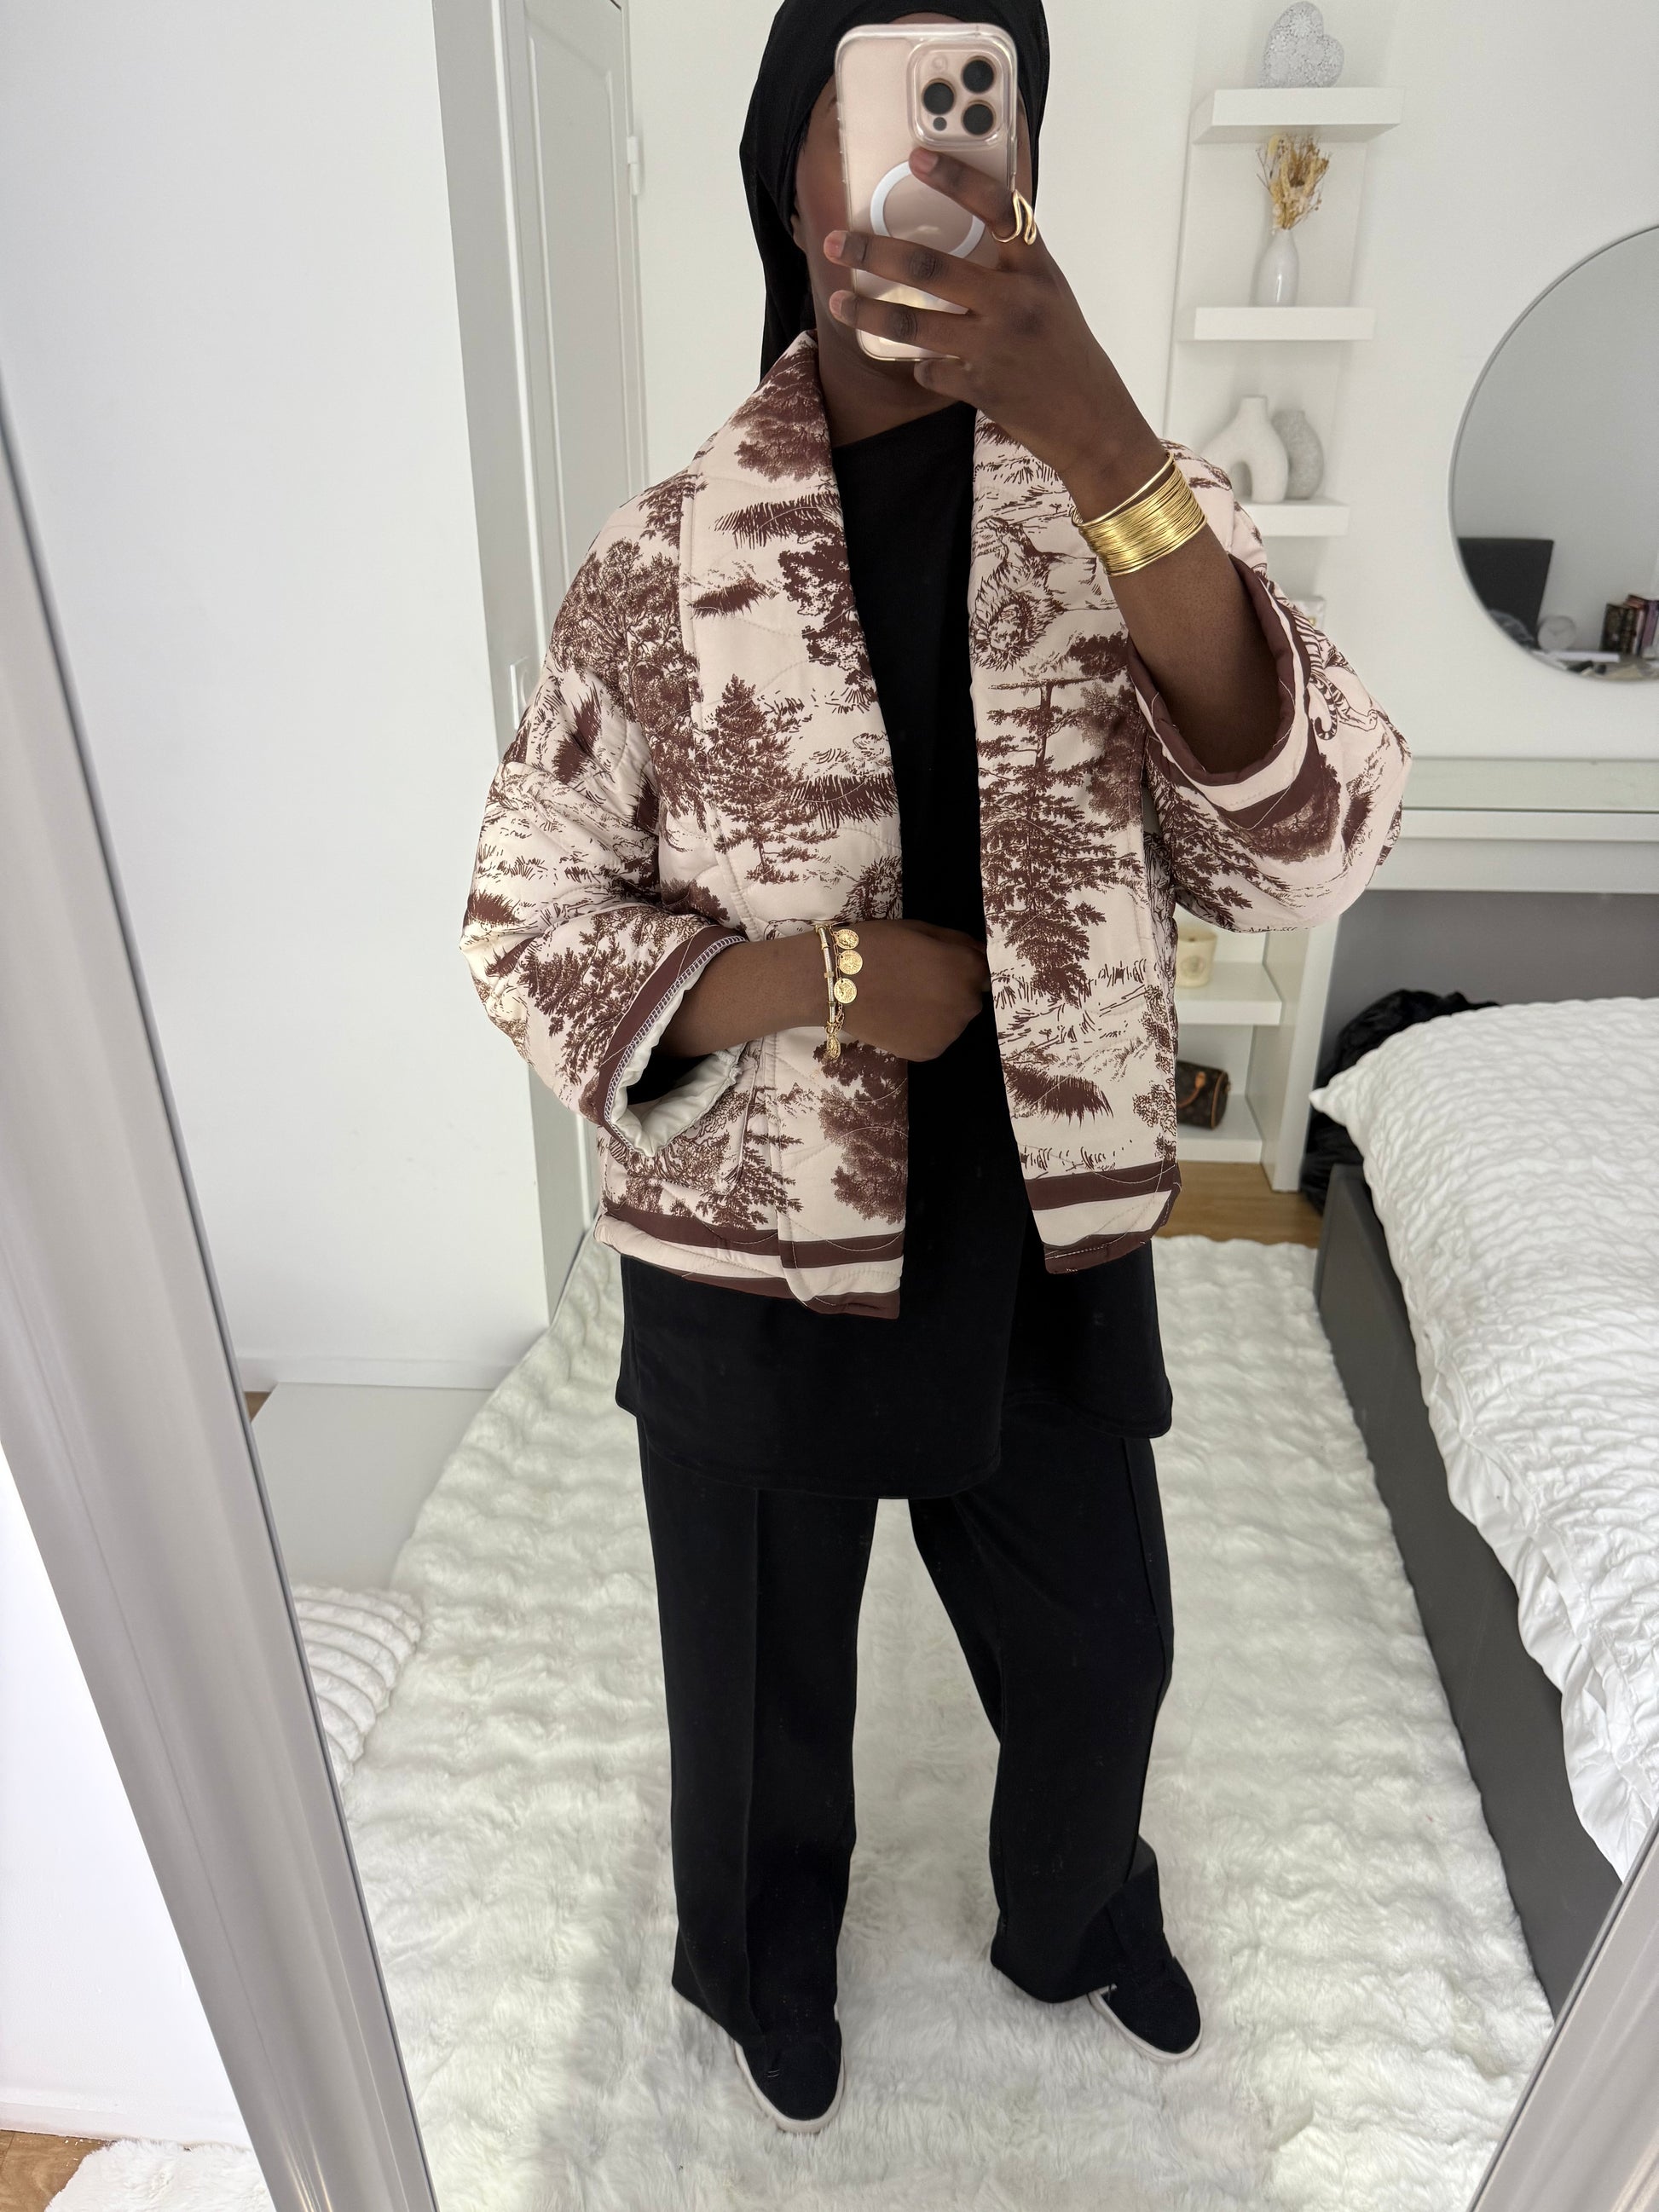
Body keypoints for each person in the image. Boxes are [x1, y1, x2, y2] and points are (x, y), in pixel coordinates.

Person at [462, 0, 1408, 2136]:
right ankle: (757, 1960)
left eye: (987, 98)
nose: (938, 140)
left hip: (1039, 1220)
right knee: (754, 1687)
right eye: (879, 96)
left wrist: (1109, 450)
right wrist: (802, 977)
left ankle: (1073, 1913)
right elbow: (521, 919)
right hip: (753, 1249)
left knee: (1103, 1654)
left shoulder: (1131, 504)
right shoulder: (661, 555)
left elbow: (1310, 843)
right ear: (786, 173)